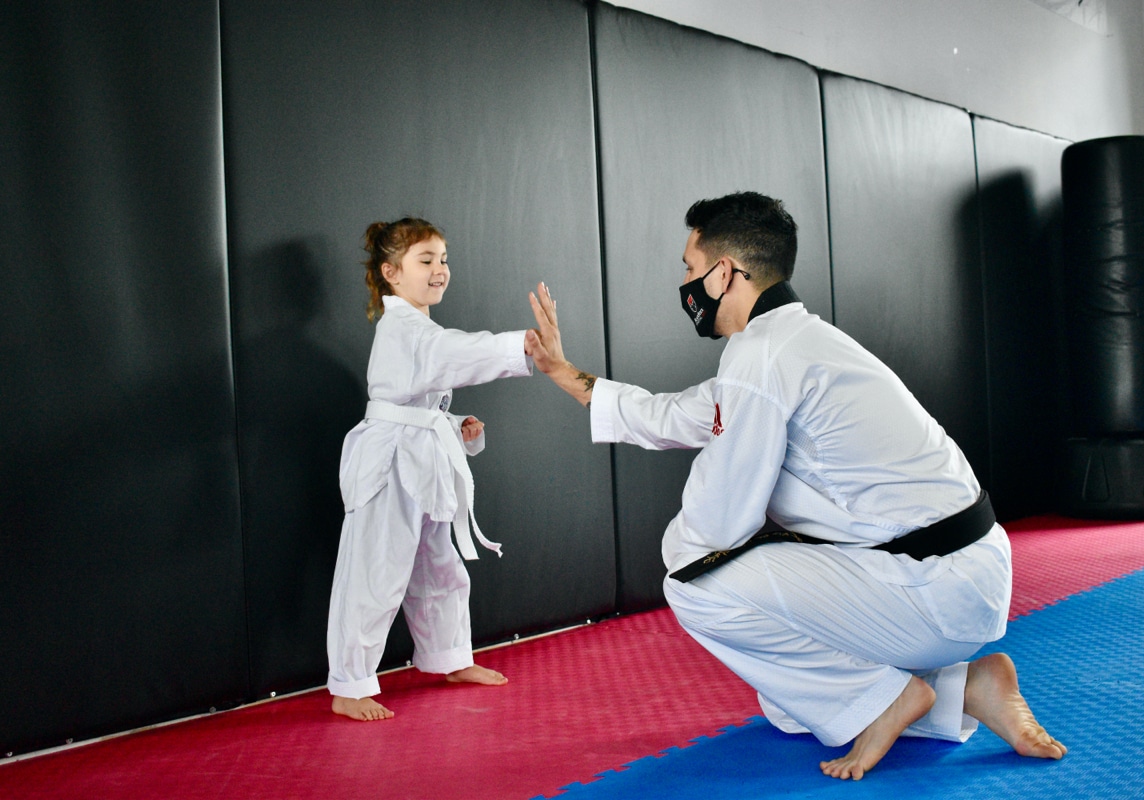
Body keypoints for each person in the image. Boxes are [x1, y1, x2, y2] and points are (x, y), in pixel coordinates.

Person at [523, 192, 1067, 778]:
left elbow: (717, 525)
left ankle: (891, 700)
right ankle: (967, 688)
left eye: (689, 267)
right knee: (788, 704)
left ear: (723, 272)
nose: (684, 282)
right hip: (962, 572)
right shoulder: (793, 342)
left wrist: (693, 552)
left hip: (934, 585)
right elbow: (671, 413)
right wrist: (563, 372)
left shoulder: (762, 359)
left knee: (692, 583)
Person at [326, 217, 532, 721]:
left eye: (443, 260)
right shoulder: (404, 328)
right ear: (391, 272)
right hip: (390, 461)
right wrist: (519, 344)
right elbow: (450, 355)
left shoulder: (418, 327)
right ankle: (349, 684)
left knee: (438, 564)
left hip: (419, 454)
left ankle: (449, 658)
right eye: (426, 261)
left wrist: (456, 422)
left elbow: (422, 393)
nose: (440, 270)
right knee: (375, 571)